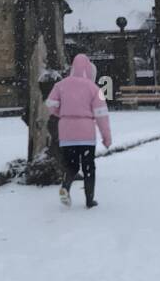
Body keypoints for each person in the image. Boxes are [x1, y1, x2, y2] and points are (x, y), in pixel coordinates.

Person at [45, 52, 112, 209]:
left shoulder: (60, 85)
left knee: (72, 166)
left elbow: (50, 104)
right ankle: (89, 200)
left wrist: (61, 113)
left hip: (67, 133)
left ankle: (65, 187)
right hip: (86, 134)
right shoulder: (94, 88)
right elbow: (102, 115)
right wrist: (106, 137)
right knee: (89, 167)